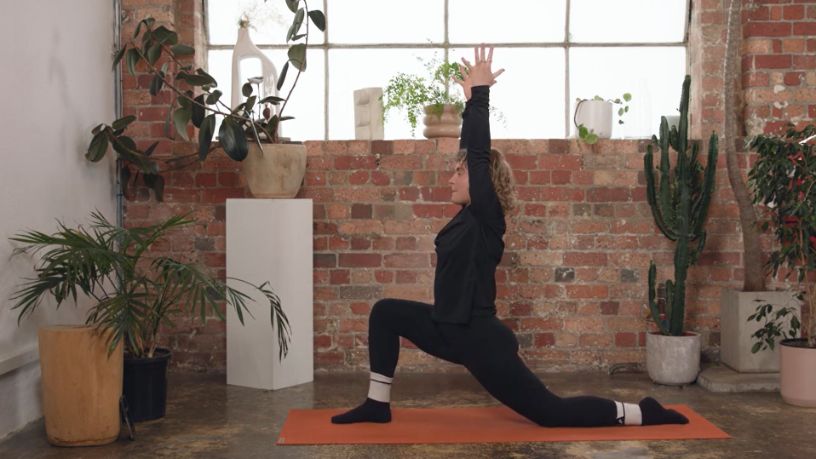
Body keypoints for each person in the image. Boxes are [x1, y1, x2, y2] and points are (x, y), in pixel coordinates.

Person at [331, 46, 688, 428]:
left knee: (551, 413)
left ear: (482, 182)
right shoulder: (464, 218)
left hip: (478, 339)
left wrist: (480, 97)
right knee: (385, 313)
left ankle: (641, 412)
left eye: (459, 173)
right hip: (445, 327)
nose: (451, 177)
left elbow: (478, 155)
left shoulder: (488, 216)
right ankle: (377, 405)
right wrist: (469, 103)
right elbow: (472, 158)